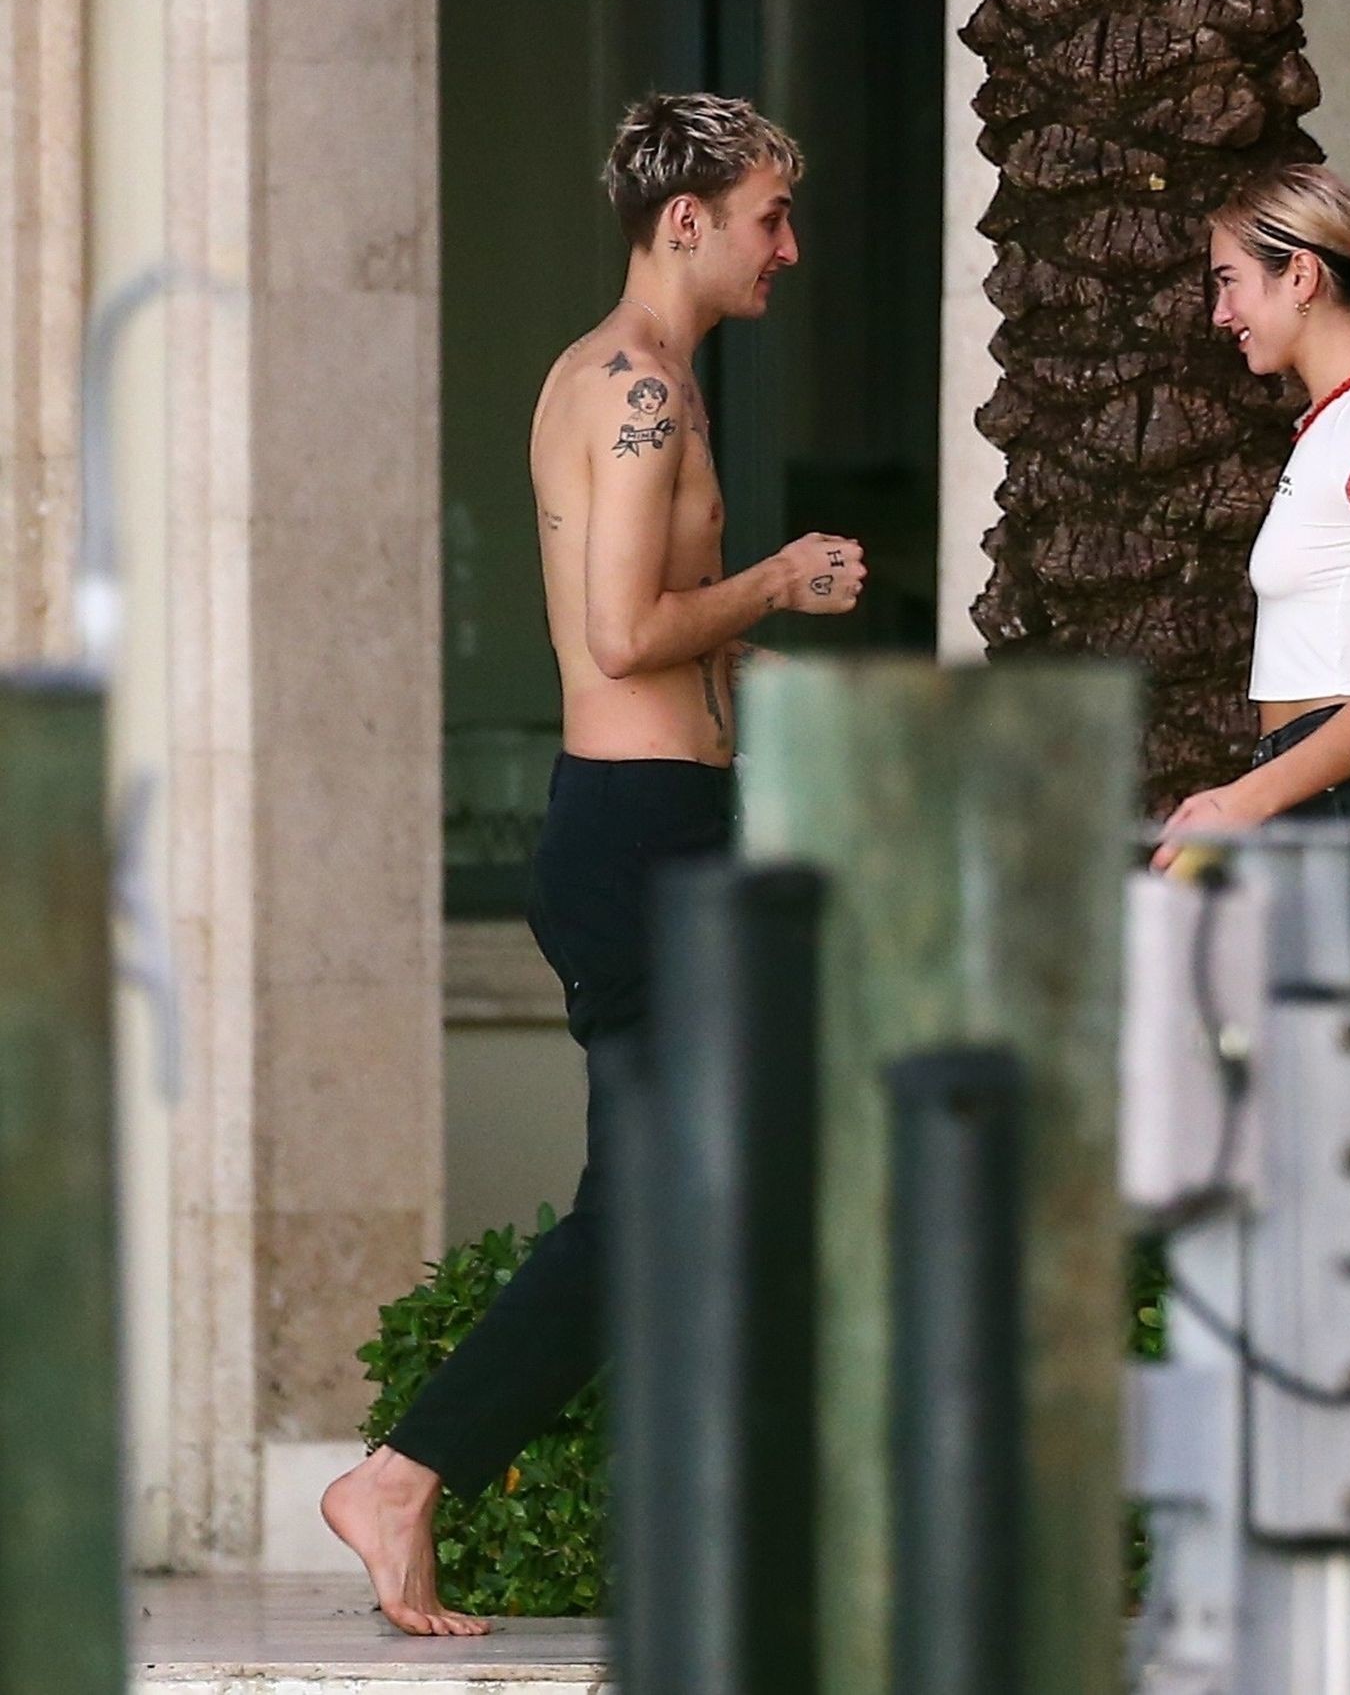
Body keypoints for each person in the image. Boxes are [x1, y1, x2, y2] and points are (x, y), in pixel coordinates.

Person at [322, 93, 866, 1636]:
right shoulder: (634, 389)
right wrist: (781, 578)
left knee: (718, 1184)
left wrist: (773, 685)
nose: (788, 248)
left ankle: (695, 1517)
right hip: (640, 839)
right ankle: (406, 1474)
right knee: (657, 1200)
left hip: (660, 826)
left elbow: (639, 636)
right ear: (686, 220)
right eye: (768, 217)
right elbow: (623, 634)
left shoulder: (635, 382)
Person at [1152, 164, 1350, 871]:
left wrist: (1248, 799)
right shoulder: (1342, 421)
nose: (1220, 313)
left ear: (1301, 276)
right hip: (1317, 795)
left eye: (1229, 281)